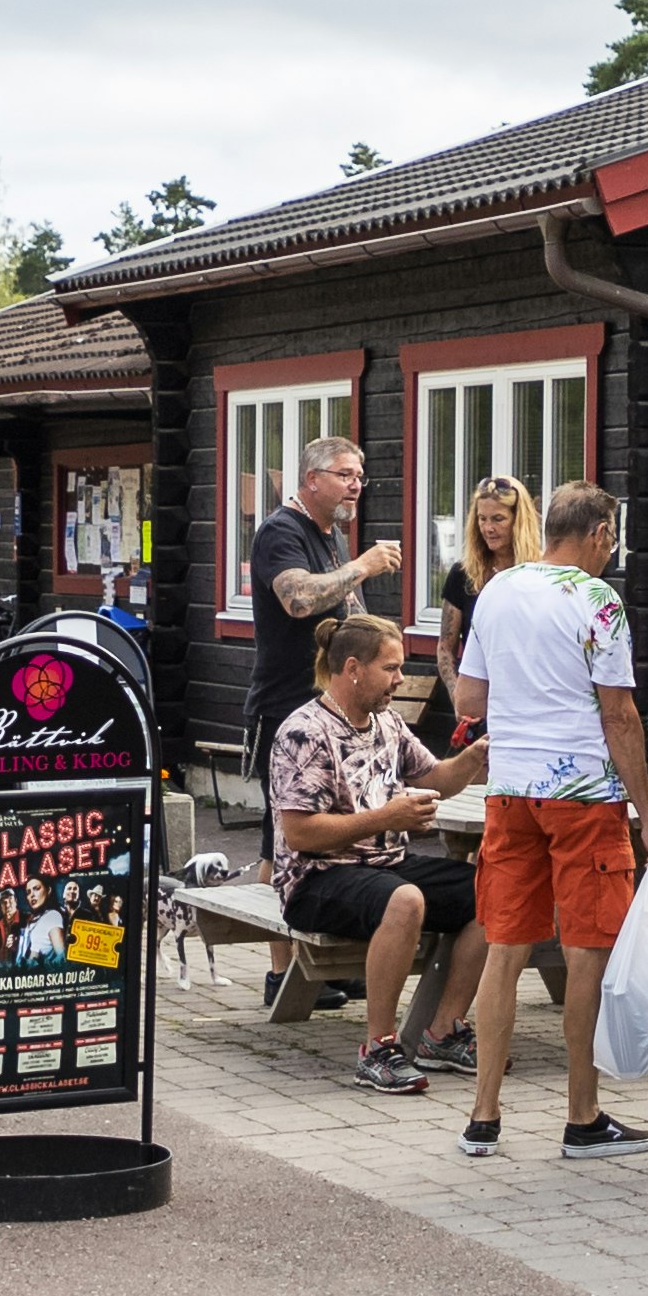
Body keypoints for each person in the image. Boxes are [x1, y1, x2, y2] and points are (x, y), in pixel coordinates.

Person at [456, 480, 648, 1160]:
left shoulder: (496, 590)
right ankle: (582, 1116)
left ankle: (483, 1117)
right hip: (583, 793)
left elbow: (471, 696)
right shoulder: (596, 600)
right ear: (599, 534)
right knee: (586, 954)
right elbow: (620, 716)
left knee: (505, 949)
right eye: (615, 539)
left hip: (510, 791)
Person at [269, 611, 495, 1094]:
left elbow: (436, 779)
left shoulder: (386, 723)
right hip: (316, 878)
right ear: (353, 667)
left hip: (383, 865)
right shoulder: (305, 731)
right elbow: (299, 834)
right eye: (391, 668)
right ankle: (379, 1049)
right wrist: (385, 818)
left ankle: (443, 1032)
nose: (400, 678)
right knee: (406, 899)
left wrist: (476, 757)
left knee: (492, 889)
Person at [244, 434, 401, 752]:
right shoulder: (281, 531)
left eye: (359, 477)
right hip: (289, 712)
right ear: (312, 479)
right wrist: (363, 566)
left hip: (337, 709)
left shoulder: (333, 534)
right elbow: (298, 600)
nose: (356, 486)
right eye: (344, 475)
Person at [439, 476, 538, 745]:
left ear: (519, 521)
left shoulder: (540, 573)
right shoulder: (464, 574)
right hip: (479, 712)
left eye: (498, 519)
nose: (488, 528)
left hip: (530, 708)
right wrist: (458, 695)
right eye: (482, 519)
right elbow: (445, 648)